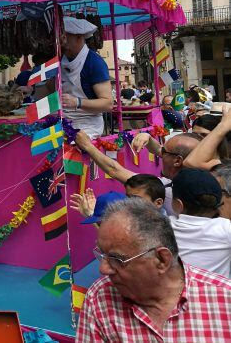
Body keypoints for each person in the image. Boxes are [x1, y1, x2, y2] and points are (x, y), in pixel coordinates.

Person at [76, 198, 231, 342]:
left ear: (162, 260)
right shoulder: (99, 297)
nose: (103, 269)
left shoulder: (225, 299)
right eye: (102, 254)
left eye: (117, 259)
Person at [77, 129, 201, 215]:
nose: (160, 154)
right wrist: (148, 138)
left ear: (177, 161)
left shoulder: (167, 190)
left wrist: (87, 145)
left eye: (163, 152)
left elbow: (114, 170)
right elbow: (158, 149)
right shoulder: (205, 184)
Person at [169, 168, 231, 277]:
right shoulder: (225, 228)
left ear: (179, 204)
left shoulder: (166, 225)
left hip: (178, 287)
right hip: (216, 288)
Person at [59, 17, 113, 138]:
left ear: (78, 37)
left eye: (65, 37)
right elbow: (51, 87)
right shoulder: (60, 59)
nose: (61, 41)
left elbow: (108, 104)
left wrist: (77, 102)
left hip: (88, 125)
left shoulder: (94, 62)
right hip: (63, 122)